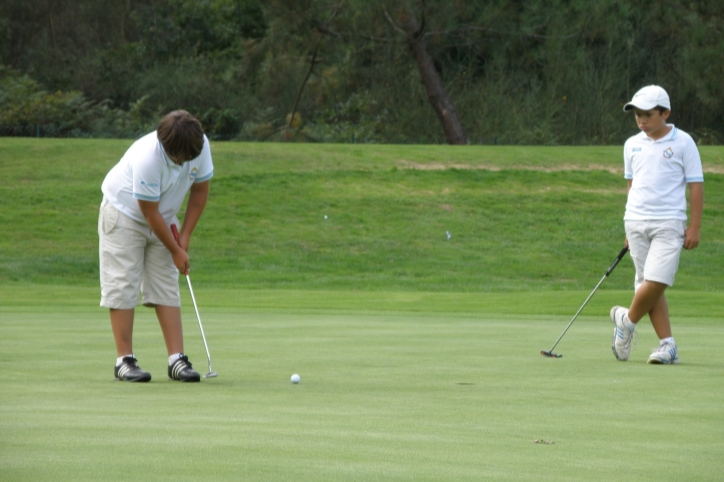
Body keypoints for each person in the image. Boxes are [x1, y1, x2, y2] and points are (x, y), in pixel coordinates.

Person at [98, 110, 214, 381]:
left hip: (163, 215)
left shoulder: (200, 145)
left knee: (166, 282)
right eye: (179, 157)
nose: (184, 161)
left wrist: (184, 237)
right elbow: (149, 212)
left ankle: (177, 360)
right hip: (124, 214)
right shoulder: (148, 157)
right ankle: (124, 360)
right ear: (167, 146)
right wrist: (175, 250)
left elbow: (200, 192)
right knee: (123, 283)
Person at [610, 85, 704, 364]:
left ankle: (625, 321)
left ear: (665, 113)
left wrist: (695, 227)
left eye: (648, 114)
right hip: (635, 221)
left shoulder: (683, 142)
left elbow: (696, 187)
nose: (641, 120)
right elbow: (632, 185)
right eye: (638, 114)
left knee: (656, 280)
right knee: (648, 285)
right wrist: (628, 229)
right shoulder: (631, 144)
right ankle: (667, 345)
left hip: (670, 222)